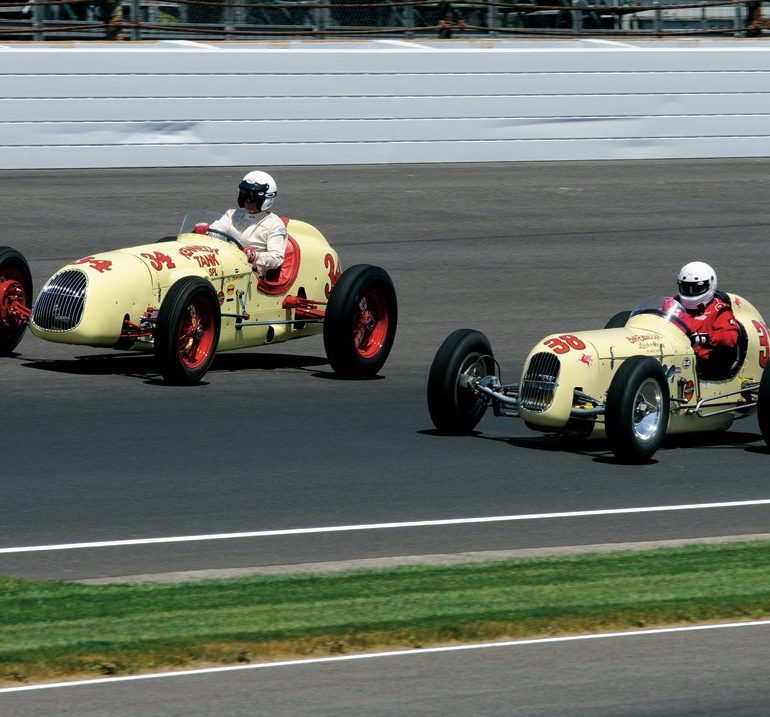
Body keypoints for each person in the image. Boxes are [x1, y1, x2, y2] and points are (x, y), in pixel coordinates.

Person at [207, 170, 288, 276]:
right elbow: (216, 231)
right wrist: (204, 232)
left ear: (266, 199)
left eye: (253, 199)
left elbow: (277, 258)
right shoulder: (232, 214)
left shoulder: (274, 224)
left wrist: (254, 256)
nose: (248, 202)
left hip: (252, 274)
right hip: (225, 263)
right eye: (245, 197)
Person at [673, 261, 741, 375]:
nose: (691, 292)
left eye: (697, 288)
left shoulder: (718, 309)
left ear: (710, 285)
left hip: (702, 365)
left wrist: (705, 338)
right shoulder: (673, 305)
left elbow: (731, 337)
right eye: (686, 287)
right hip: (672, 355)